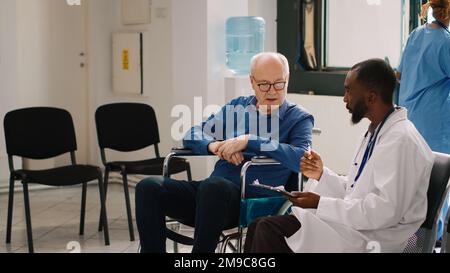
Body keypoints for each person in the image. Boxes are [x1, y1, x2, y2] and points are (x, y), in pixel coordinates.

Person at [244, 59, 434, 253]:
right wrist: (321, 174)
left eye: (349, 91)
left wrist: (320, 203)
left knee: (270, 231)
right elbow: (354, 190)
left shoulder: (400, 141)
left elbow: (384, 211)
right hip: (358, 227)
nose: (344, 98)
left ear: (371, 97)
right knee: (258, 226)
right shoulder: (377, 132)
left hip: (376, 238)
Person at [135, 52, 314, 253]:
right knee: (148, 187)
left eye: (278, 83)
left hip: (250, 201)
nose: (272, 91)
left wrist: (248, 141)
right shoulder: (237, 108)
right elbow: (192, 133)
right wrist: (213, 146)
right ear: (252, 82)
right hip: (210, 197)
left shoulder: (299, 118)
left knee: (214, 187)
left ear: (287, 80)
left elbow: (302, 159)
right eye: (264, 84)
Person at [396, 0, 450, 240]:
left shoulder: (415, 35)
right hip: (435, 125)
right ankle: (433, 238)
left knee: (412, 186)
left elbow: (399, 74)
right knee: (437, 188)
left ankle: (411, 240)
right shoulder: (447, 43)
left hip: (410, 119)